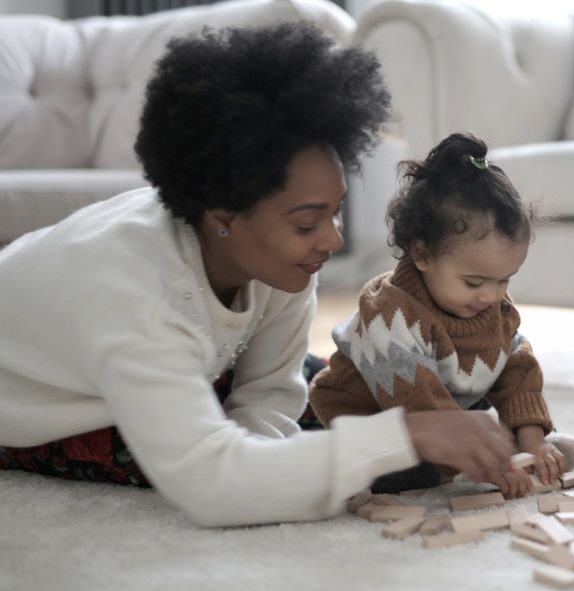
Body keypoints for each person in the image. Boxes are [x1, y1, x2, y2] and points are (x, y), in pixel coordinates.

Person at [0, 23, 517, 527]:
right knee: (193, 456)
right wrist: (407, 435)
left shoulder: (279, 258)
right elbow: (212, 486)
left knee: (343, 388)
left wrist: (274, 457)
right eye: (307, 222)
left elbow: (271, 395)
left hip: (173, 356)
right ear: (223, 216)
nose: (332, 240)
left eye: (336, 212)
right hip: (40, 402)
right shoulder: (137, 297)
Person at [310, 132, 574, 498]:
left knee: (509, 367)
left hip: (441, 411)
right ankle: (314, 438)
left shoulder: (493, 306)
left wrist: (532, 438)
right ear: (422, 255)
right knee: (405, 475)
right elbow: (421, 409)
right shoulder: (390, 313)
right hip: (369, 416)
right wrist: (489, 463)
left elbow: (517, 370)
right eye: (474, 282)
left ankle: (516, 444)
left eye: (505, 279)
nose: (492, 295)